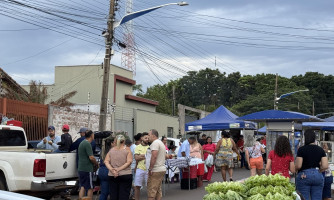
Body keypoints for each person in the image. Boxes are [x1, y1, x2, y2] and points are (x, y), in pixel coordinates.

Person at [295, 129, 328, 200]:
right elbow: (325, 166)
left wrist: (295, 170)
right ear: (314, 138)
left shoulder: (301, 149)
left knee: (303, 197)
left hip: (304, 175)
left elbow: (298, 165)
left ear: (305, 138)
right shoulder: (320, 150)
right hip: (317, 174)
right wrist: (319, 171)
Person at [105, 134, 133, 200]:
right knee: (124, 195)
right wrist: (118, 169)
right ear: (124, 141)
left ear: (115, 141)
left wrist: (112, 170)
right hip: (125, 174)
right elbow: (129, 162)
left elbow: (106, 161)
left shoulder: (111, 150)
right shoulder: (127, 149)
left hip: (112, 175)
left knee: (113, 195)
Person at [78, 130, 99, 200]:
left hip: (81, 168)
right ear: (91, 135)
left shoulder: (82, 143)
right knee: (90, 187)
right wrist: (96, 163)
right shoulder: (87, 144)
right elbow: (91, 157)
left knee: (83, 186)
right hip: (87, 169)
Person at [146, 129, 166, 200]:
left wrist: (150, 168)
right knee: (157, 190)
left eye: (149, 135)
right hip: (161, 168)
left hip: (155, 169)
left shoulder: (155, 143)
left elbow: (154, 156)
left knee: (151, 192)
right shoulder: (160, 143)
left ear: (153, 136)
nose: (148, 137)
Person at [134, 132, 150, 200]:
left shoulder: (150, 147)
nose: (147, 139)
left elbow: (150, 157)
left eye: (148, 138)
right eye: (145, 138)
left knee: (149, 186)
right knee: (137, 186)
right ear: (142, 138)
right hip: (140, 168)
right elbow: (136, 158)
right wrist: (145, 155)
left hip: (148, 169)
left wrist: (141, 155)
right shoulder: (137, 147)